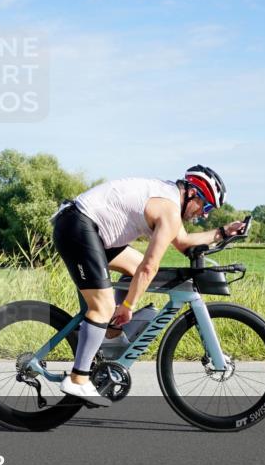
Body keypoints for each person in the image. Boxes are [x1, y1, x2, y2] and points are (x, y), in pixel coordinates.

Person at [51, 165, 245, 405]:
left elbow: (183, 243)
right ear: (193, 194)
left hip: (87, 228)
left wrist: (223, 232)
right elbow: (149, 266)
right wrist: (129, 305)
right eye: (206, 206)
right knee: (102, 306)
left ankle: (110, 335)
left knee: (135, 271)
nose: (204, 214)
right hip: (78, 227)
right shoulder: (170, 210)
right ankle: (78, 379)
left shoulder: (170, 200)